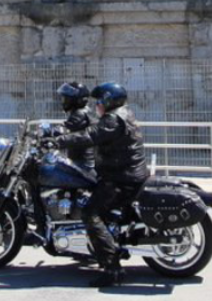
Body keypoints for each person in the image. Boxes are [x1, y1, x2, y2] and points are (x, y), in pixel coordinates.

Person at [50, 81, 149, 288]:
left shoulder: (113, 119)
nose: (96, 105)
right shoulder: (124, 113)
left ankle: (112, 269)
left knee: (90, 213)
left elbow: (90, 135)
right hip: (125, 174)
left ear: (108, 101)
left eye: (99, 101)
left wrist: (57, 141)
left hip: (121, 179)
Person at [56, 82, 96, 171]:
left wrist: (47, 132)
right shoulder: (83, 111)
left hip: (83, 164)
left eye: (65, 98)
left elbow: (65, 128)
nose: (63, 101)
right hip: (81, 161)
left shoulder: (80, 114)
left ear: (74, 100)